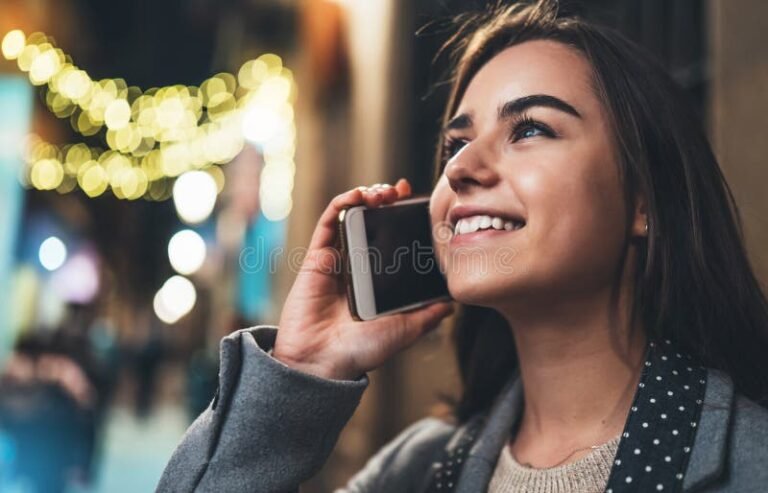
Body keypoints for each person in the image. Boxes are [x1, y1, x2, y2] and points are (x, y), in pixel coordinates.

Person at [157, 1, 768, 491]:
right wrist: (301, 374)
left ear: (644, 202)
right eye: (454, 145)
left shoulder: (749, 463)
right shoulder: (414, 471)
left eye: (529, 129)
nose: (463, 168)